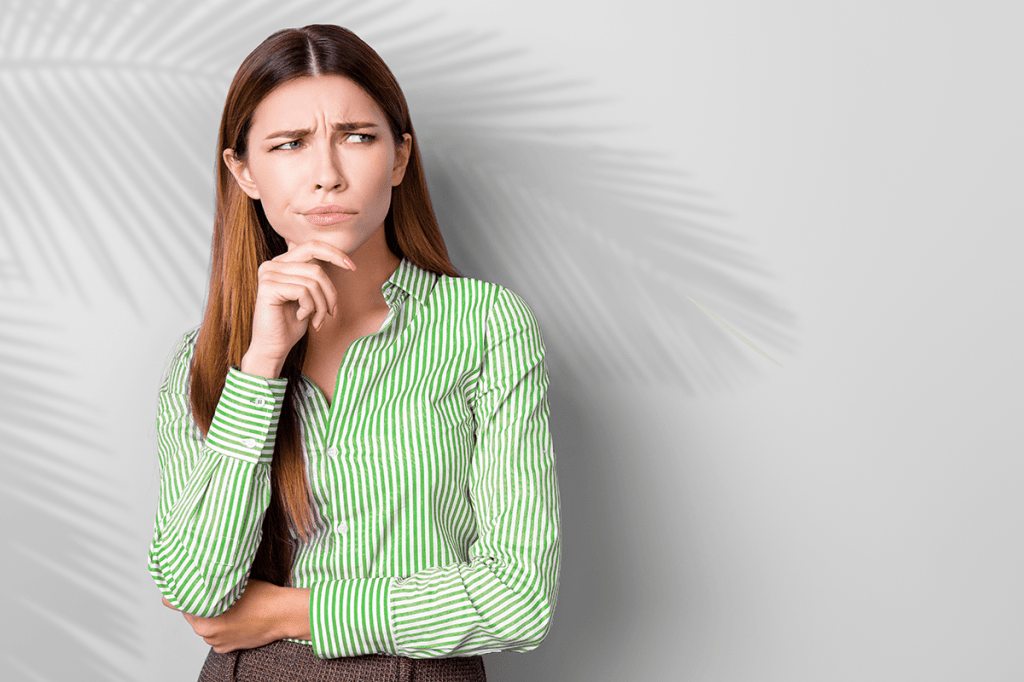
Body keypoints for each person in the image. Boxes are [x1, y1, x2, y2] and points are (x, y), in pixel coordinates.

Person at [148, 24, 560, 681]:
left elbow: (518, 601)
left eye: (357, 138)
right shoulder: (203, 359)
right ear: (244, 171)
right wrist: (261, 366)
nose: (327, 176)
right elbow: (198, 591)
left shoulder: (485, 326)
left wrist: (291, 612)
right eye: (290, 145)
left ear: (399, 158)